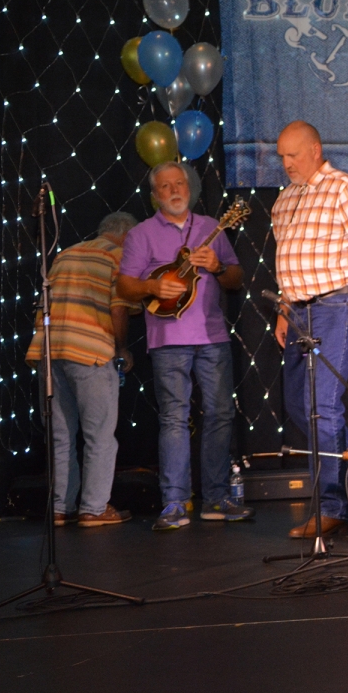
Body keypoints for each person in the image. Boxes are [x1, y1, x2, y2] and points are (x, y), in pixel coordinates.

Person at [117, 161, 253, 531]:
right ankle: (175, 502)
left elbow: (236, 279)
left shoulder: (212, 227)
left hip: (213, 337)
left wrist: (219, 267)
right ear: (154, 195)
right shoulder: (142, 234)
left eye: (180, 183)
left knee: (221, 414)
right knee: (174, 419)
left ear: (189, 188)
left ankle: (216, 498)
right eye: (165, 186)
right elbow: (125, 286)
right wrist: (152, 287)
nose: (175, 190)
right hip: (167, 339)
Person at [271, 121, 348, 539]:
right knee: (297, 403)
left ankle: (333, 507)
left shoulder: (344, 188)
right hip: (298, 311)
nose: (286, 164)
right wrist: (284, 309)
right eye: (281, 156)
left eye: (293, 155)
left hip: (334, 306)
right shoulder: (284, 201)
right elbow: (288, 259)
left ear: (316, 149)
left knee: (322, 405)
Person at [25, 212, 140, 527]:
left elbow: (42, 302)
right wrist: (121, 348)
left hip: (49, 352)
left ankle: (60, 508)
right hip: (90, 351)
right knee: (100, 435)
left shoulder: (65, 254)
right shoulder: (118, 257)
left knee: (61, 436)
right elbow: (118, 309)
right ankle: (93, 508)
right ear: (127, 236)